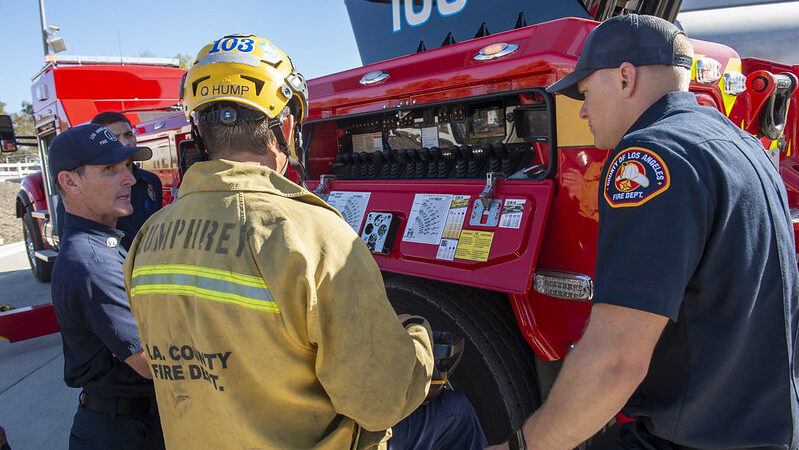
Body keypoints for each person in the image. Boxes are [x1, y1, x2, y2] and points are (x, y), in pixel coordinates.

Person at [124, 34, 486, 450]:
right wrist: (418, 338)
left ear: (200, 131)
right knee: (455, 415)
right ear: (289, 124)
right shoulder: (314, 234)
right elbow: (381, 402)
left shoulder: (148, 237)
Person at [488, 14, 799, 450]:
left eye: (585, 91)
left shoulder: (649, 158)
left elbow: (615, 361)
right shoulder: (741, 143)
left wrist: (522, 446)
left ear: (625, 77)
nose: (582, 109)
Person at [49, 124, 165, 450]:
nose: (129, 179)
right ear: (70, 182)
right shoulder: (91, 262)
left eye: (127, 167)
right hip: (123, 432)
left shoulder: (105, 243)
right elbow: (150, 363)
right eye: (109, 170)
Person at [90, 112, 163, 250]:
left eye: (128, 135)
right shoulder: (90, 188)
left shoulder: (151, 182)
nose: (126, 142)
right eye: (114, 138)